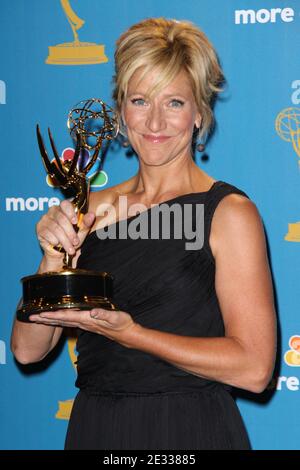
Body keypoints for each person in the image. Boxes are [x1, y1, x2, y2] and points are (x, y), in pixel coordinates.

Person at [11, 17, 276, 450]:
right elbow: (27, 350)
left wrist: (131, 334)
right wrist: (53, 258)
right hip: (97, 426)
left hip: (189, 428)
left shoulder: (228, 213)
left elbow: (253, 368)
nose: (155, 121)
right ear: (120, 112)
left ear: (198, 114)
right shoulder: (88, 210)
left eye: (174, 102)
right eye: (140, 100)